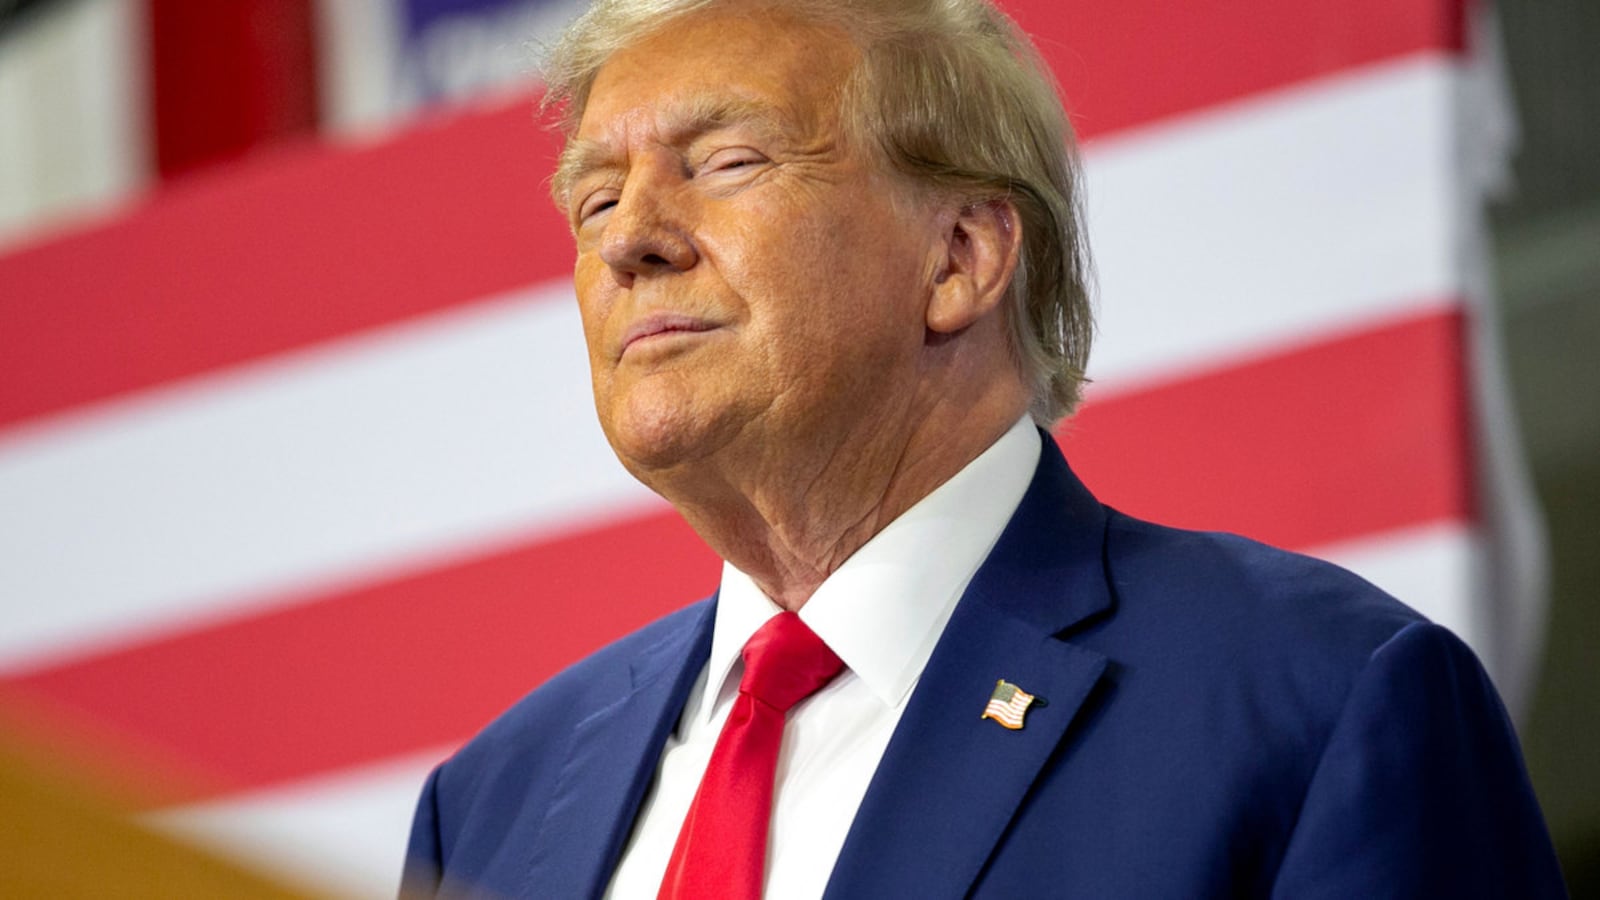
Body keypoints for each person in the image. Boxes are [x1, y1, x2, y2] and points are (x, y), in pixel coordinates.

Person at [402, 0, 1567, 897]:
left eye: (726, 162)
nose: (631, 242)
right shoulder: (489, 806)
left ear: (960, 257)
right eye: (596, 202)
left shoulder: (1318, 698)